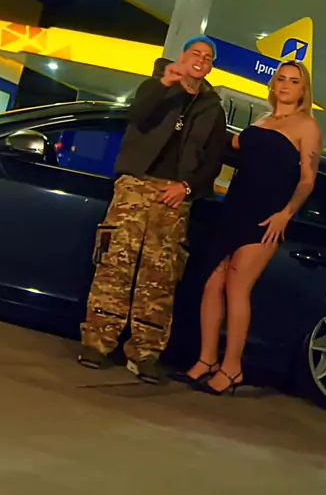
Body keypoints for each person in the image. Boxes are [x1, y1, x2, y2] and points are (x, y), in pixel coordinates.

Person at [79, 36, 226, 384]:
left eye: (208, 57)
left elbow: (213, 161)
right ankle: (97, 343)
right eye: (195, 53)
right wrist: (165, 83)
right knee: (115, 265)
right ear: (183, 57)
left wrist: (187, 187)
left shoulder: (212, 110)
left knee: (159, 277)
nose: (201, 59)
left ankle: (145, 354)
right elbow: (136, 115)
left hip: (174, 198)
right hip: (135, 186)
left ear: (210, 67)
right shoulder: (156, 87)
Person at [176, 60, 322, 396]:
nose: (285, 85)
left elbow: (307, 180)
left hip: (268, 215)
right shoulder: (262, 120)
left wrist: (286, 213)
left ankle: (232, 369)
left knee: (237, 287)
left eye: (294, 81)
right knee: (212, 284)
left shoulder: (307, 126)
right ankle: (206, 359)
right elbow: (230, 146)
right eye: (281, 79)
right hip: (235, 207)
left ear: (303, 89)